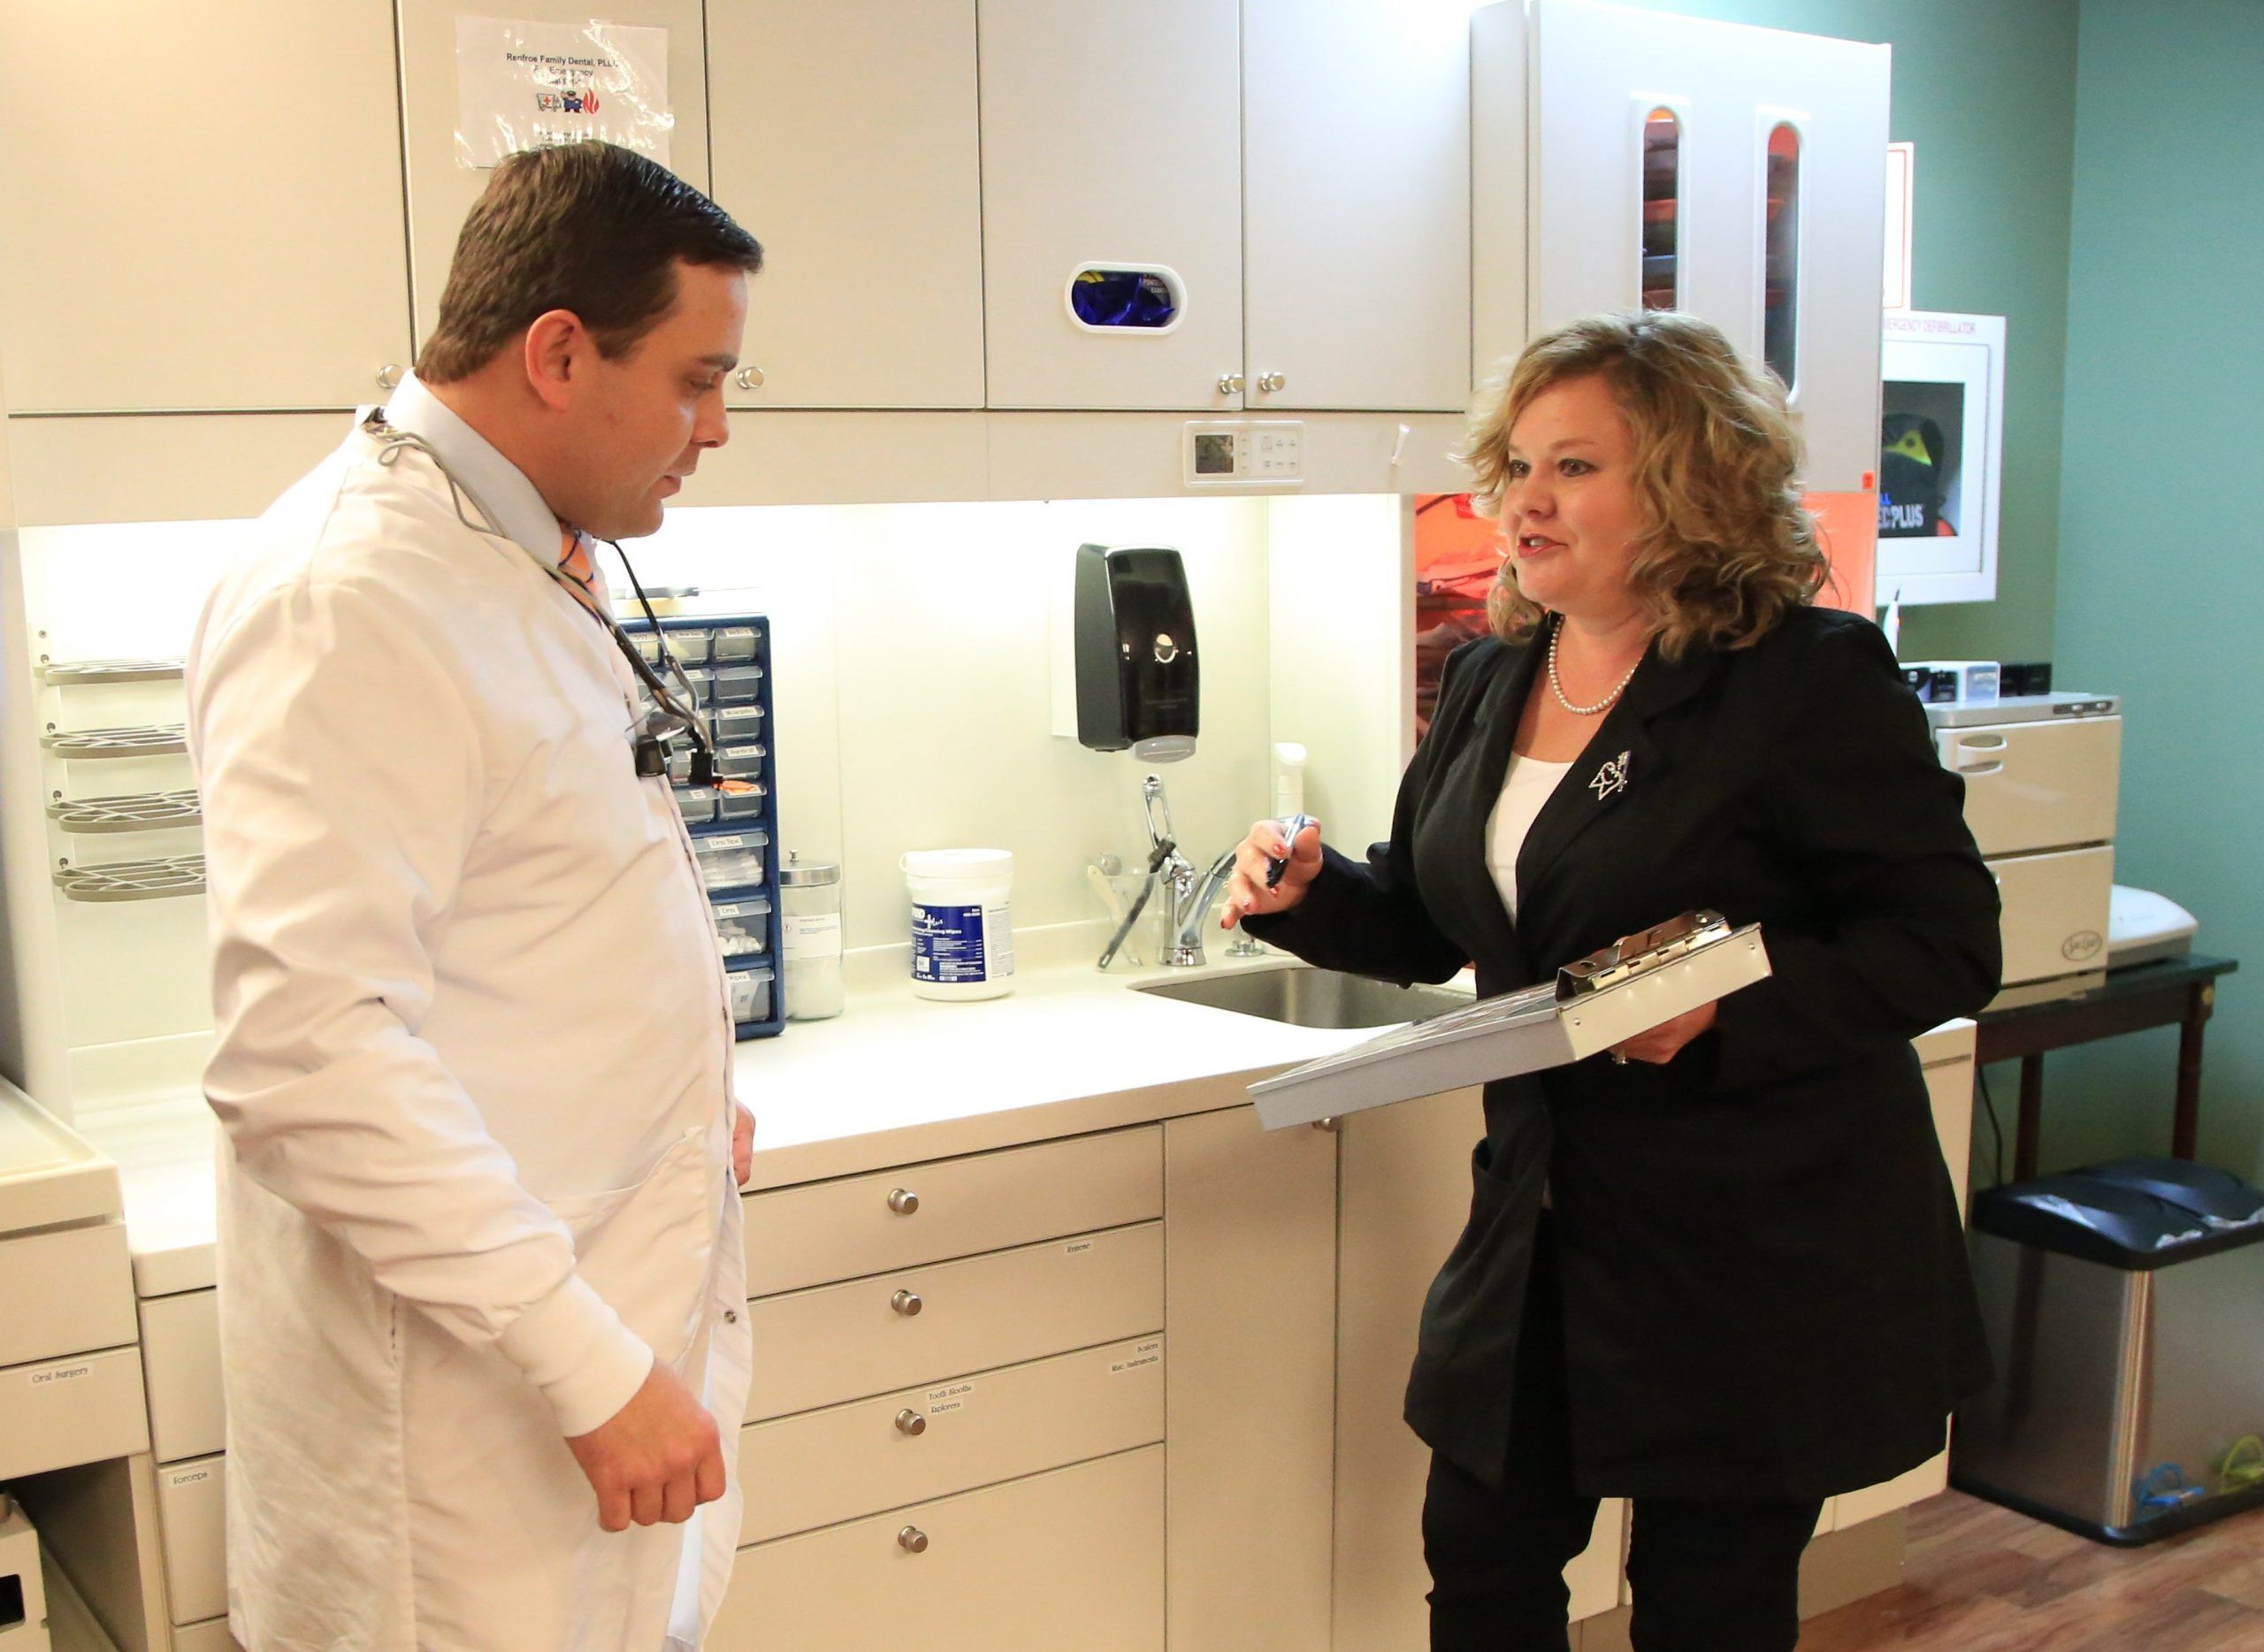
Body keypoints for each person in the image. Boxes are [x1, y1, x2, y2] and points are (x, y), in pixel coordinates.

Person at [1223, 311, 2000, 1652]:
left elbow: (1943, 941)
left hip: (1750, 1253)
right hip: (1538, 1237)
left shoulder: (1805, 680)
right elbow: (1432, 920)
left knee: (1708, 1610)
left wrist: (1718, 1010)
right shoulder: (1488, 676)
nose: (1526, 499)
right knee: (1478, 1570)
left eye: (1575, 468)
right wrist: (1313, 898)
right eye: (1517, 464)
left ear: (1691, 483)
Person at [187, 141, 763, 1651]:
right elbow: (306, 1056)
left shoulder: (512, 552)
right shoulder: (352, 598)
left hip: (585, 1405)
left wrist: (683, 1091)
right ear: (560, 354)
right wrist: (595, 1370)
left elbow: (523, 911)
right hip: (462, 1466)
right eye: (698, 381)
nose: (713, 431)